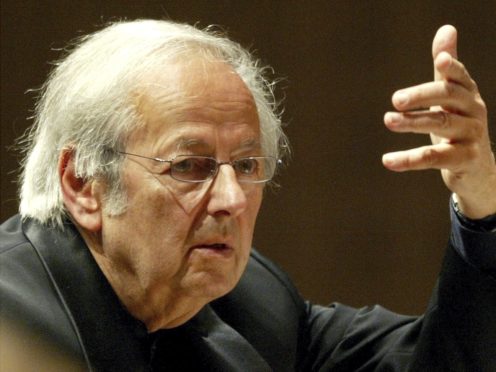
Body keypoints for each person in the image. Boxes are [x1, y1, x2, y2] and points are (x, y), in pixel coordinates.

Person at [0, 19, 494, 371]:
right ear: (83, 184)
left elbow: (440, 357)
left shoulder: (249, 302)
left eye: (246, 165)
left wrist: (482, 206)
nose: (232, 199)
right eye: (189, 167)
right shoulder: (12, 324)